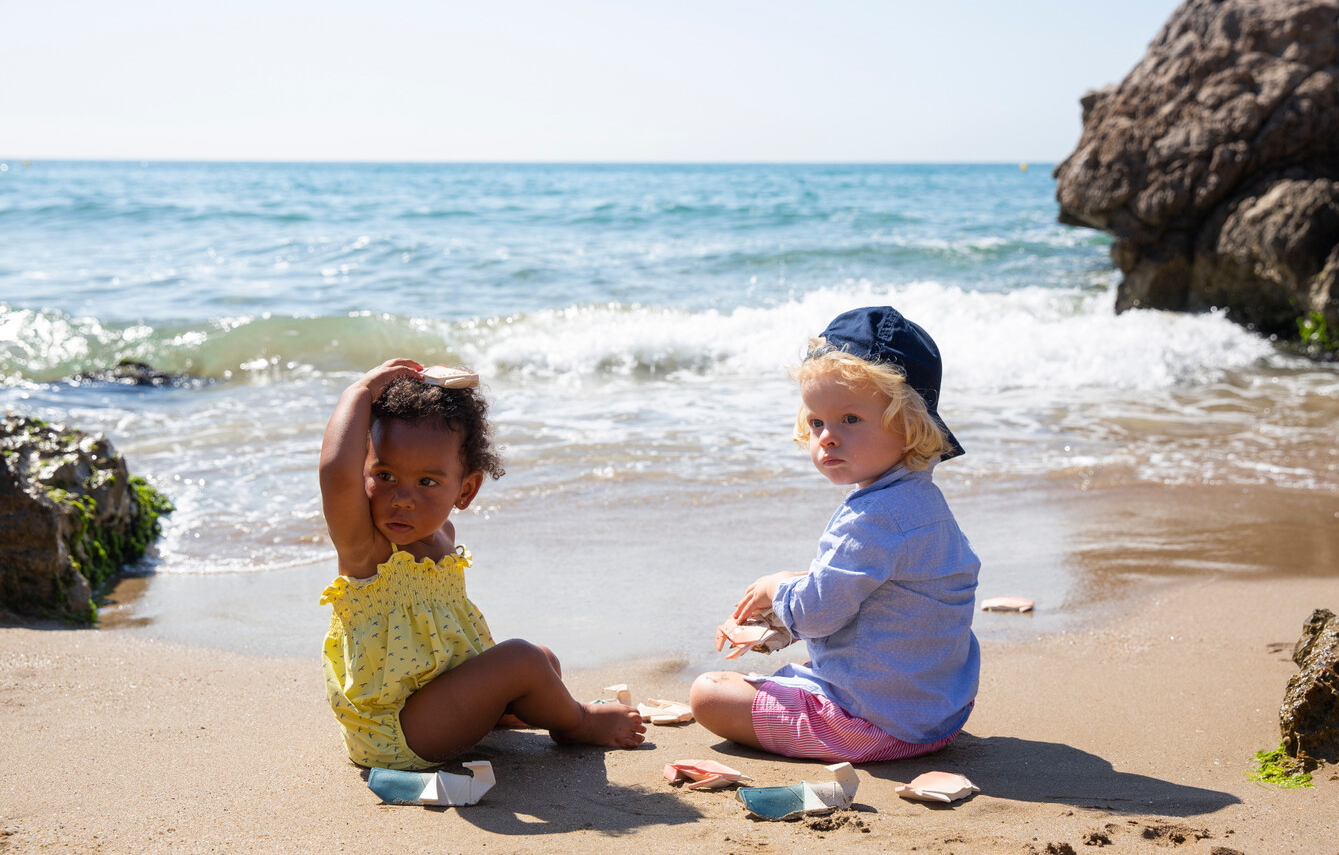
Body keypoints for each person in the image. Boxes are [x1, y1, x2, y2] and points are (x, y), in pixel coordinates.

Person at [319, 358, 644, 770]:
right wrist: (360, 393)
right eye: (385, 476)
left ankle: (498, 714)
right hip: (393, 731)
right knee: (523, 660)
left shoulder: (444, 536)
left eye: (427, 482)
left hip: (433, 704)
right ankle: (579, 723)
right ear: (364, 468)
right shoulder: (366, 548)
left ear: (466, 490)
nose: (402, 499)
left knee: (543, 660)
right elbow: (335, 472)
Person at [690, 307, 980, 763]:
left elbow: (818, 615)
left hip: (875, 727)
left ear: (910, 426)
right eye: (816, 423)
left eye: (850, 419)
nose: (826, 437)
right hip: (939, 715)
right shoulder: (924, 503)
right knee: (803, 621)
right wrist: (795, 595)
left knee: (708, 693)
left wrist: (778, 590)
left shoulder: (871, 517)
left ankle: (838, 719)